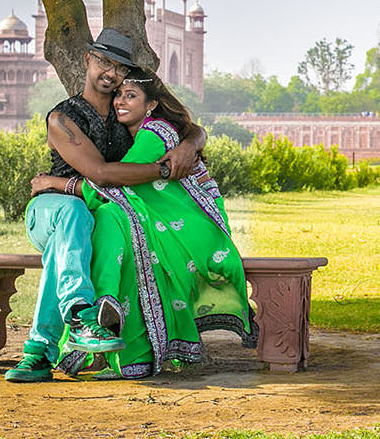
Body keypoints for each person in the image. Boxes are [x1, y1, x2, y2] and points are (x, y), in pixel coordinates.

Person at [4, 28, 207, 383]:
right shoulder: (62, 119)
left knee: (73, 240)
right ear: (87, 60)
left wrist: (191, 143)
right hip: (50, 210)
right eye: (103, 61)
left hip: (96, 216)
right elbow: (100, 173)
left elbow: (182, 124)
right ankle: (83, 316)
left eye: (118, 67)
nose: (110, 73)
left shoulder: (124, 111)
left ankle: (38, 352)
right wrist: (162, 169)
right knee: (72, 215)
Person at [60, 68, 256, 378]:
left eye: (131, 96)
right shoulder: (140, 133)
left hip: (191, 227)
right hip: (175, 222)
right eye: (118, 96)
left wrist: (55, 184)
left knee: (117, 226)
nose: (120, 102)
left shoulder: (154, 134)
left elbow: (109, 180)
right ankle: (125, 346)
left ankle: (112, 328)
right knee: (121, 228)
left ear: (150, 105)